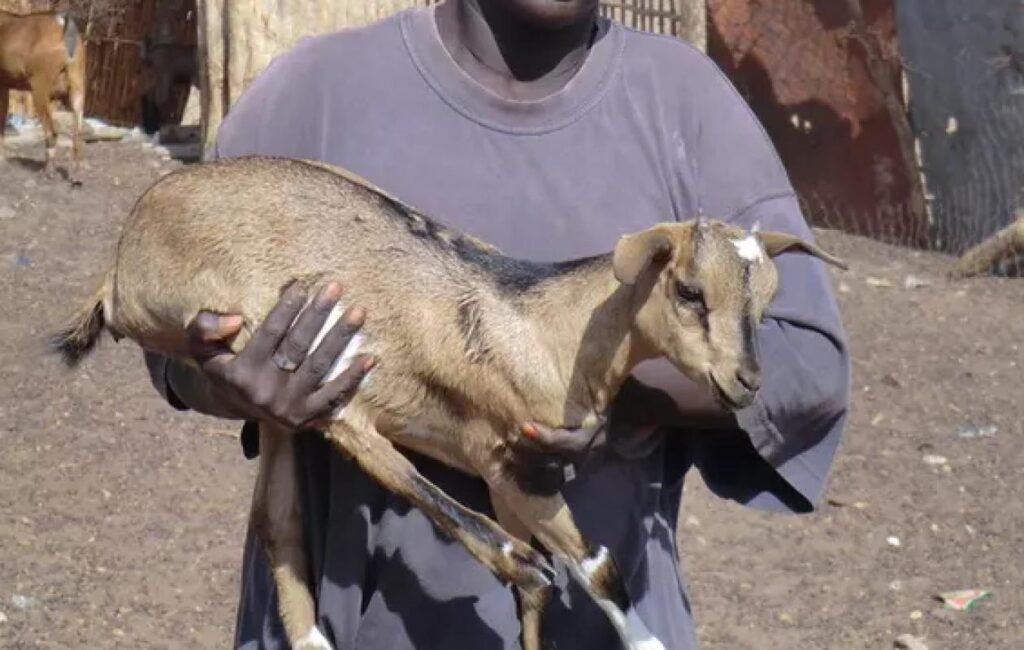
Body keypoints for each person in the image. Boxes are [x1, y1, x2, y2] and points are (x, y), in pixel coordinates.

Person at [145, 0, 851, 647]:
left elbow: (806, 364)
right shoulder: (317, 93)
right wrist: (228, 383)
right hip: (345, 623)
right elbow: (170, 324)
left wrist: (605, 388)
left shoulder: (684, 106)